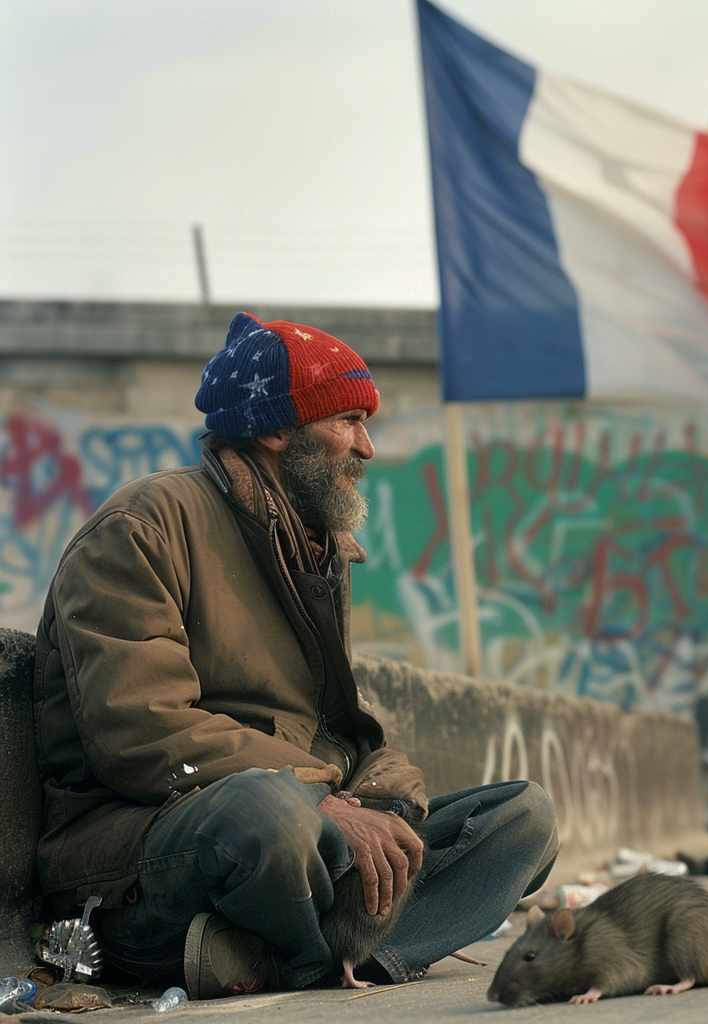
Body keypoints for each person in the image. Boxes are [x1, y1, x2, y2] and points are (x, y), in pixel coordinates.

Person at [34, 312, 559, 998]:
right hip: (152, 849)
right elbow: (140, 729)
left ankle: (274, 956)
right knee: (268, 816)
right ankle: (337, 954)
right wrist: (321, 800)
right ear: (279, 430)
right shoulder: (143, 527)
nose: (366, 446)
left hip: (303, 834)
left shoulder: (315, 547)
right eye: (347, 420)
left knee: (523, 818)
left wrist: (389, 803)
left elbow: (342, 731)